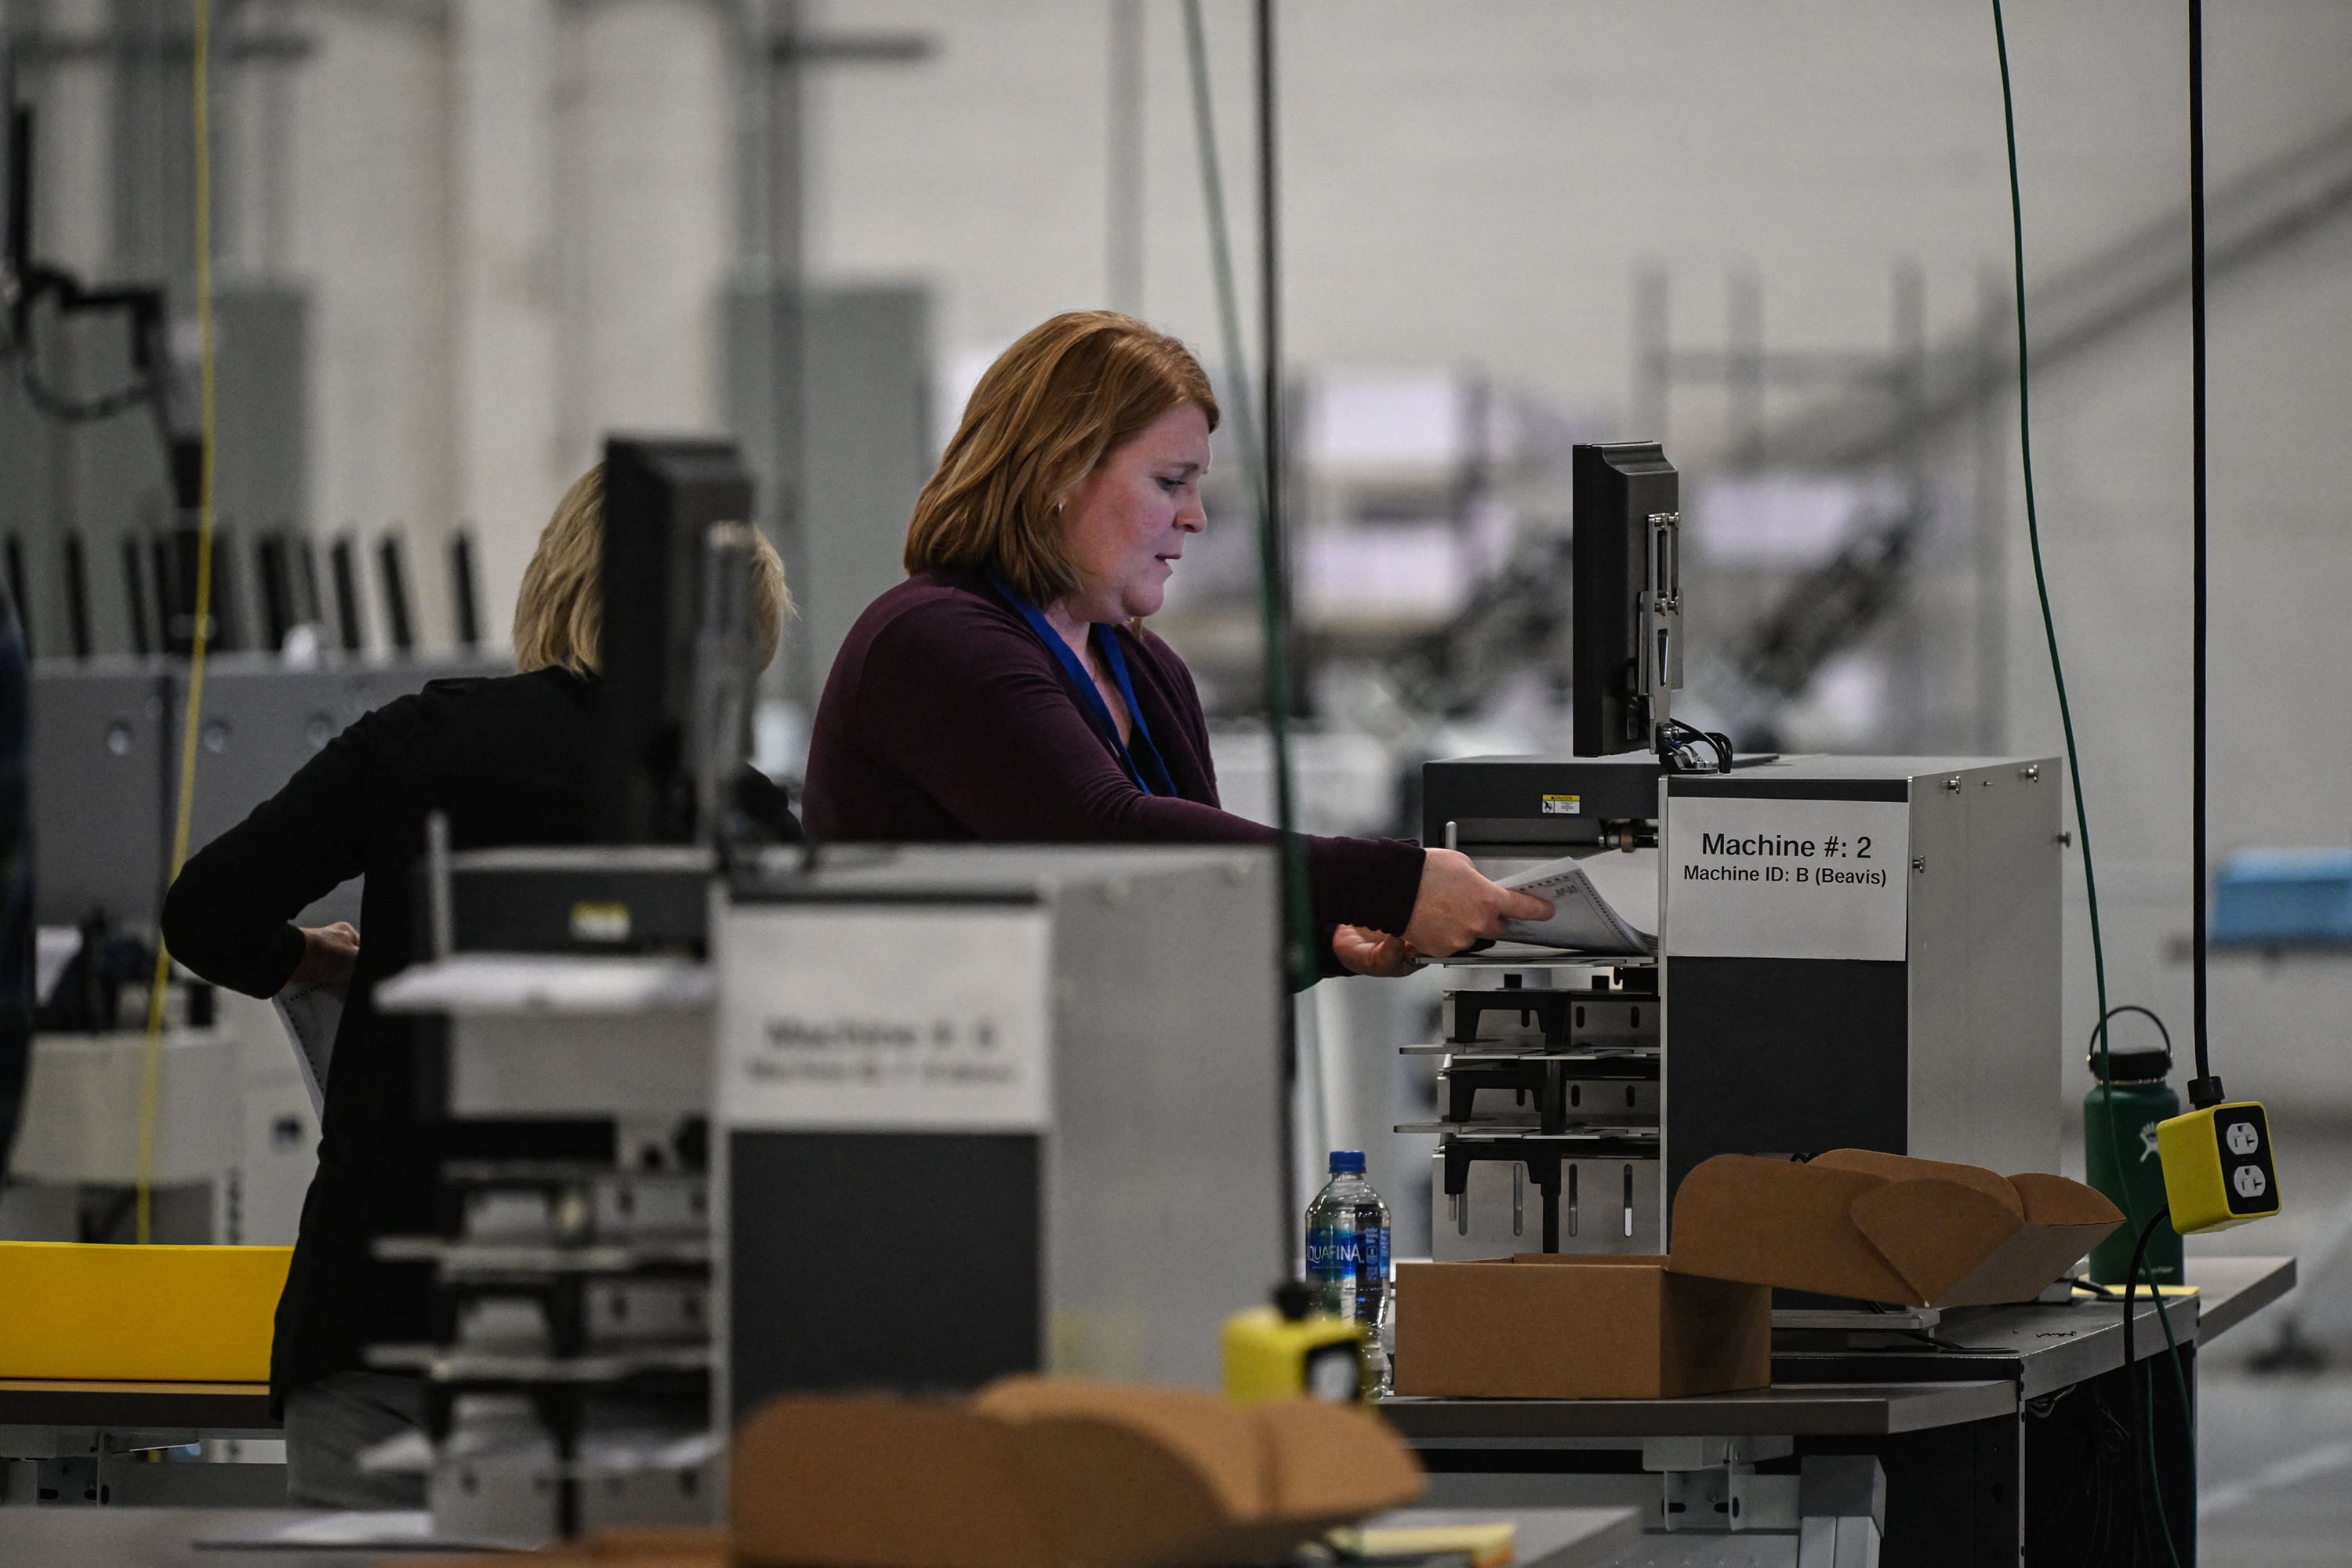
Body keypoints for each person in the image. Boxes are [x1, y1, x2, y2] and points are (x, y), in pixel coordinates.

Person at [161, 466, 797, 1508]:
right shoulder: (740, 815)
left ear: (558, 584)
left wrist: (311, 961)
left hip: (376, 1327)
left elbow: (204, 913)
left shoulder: (420, 742)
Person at [804, 310, 1548, 976]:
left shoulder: (1144, 667)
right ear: (1058, 472)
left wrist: (1322, 938)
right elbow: (1101, 838)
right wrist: (1395, 882)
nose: (1195, 516)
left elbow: (1193, 899)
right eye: (1170, 481)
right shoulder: (934, 640)